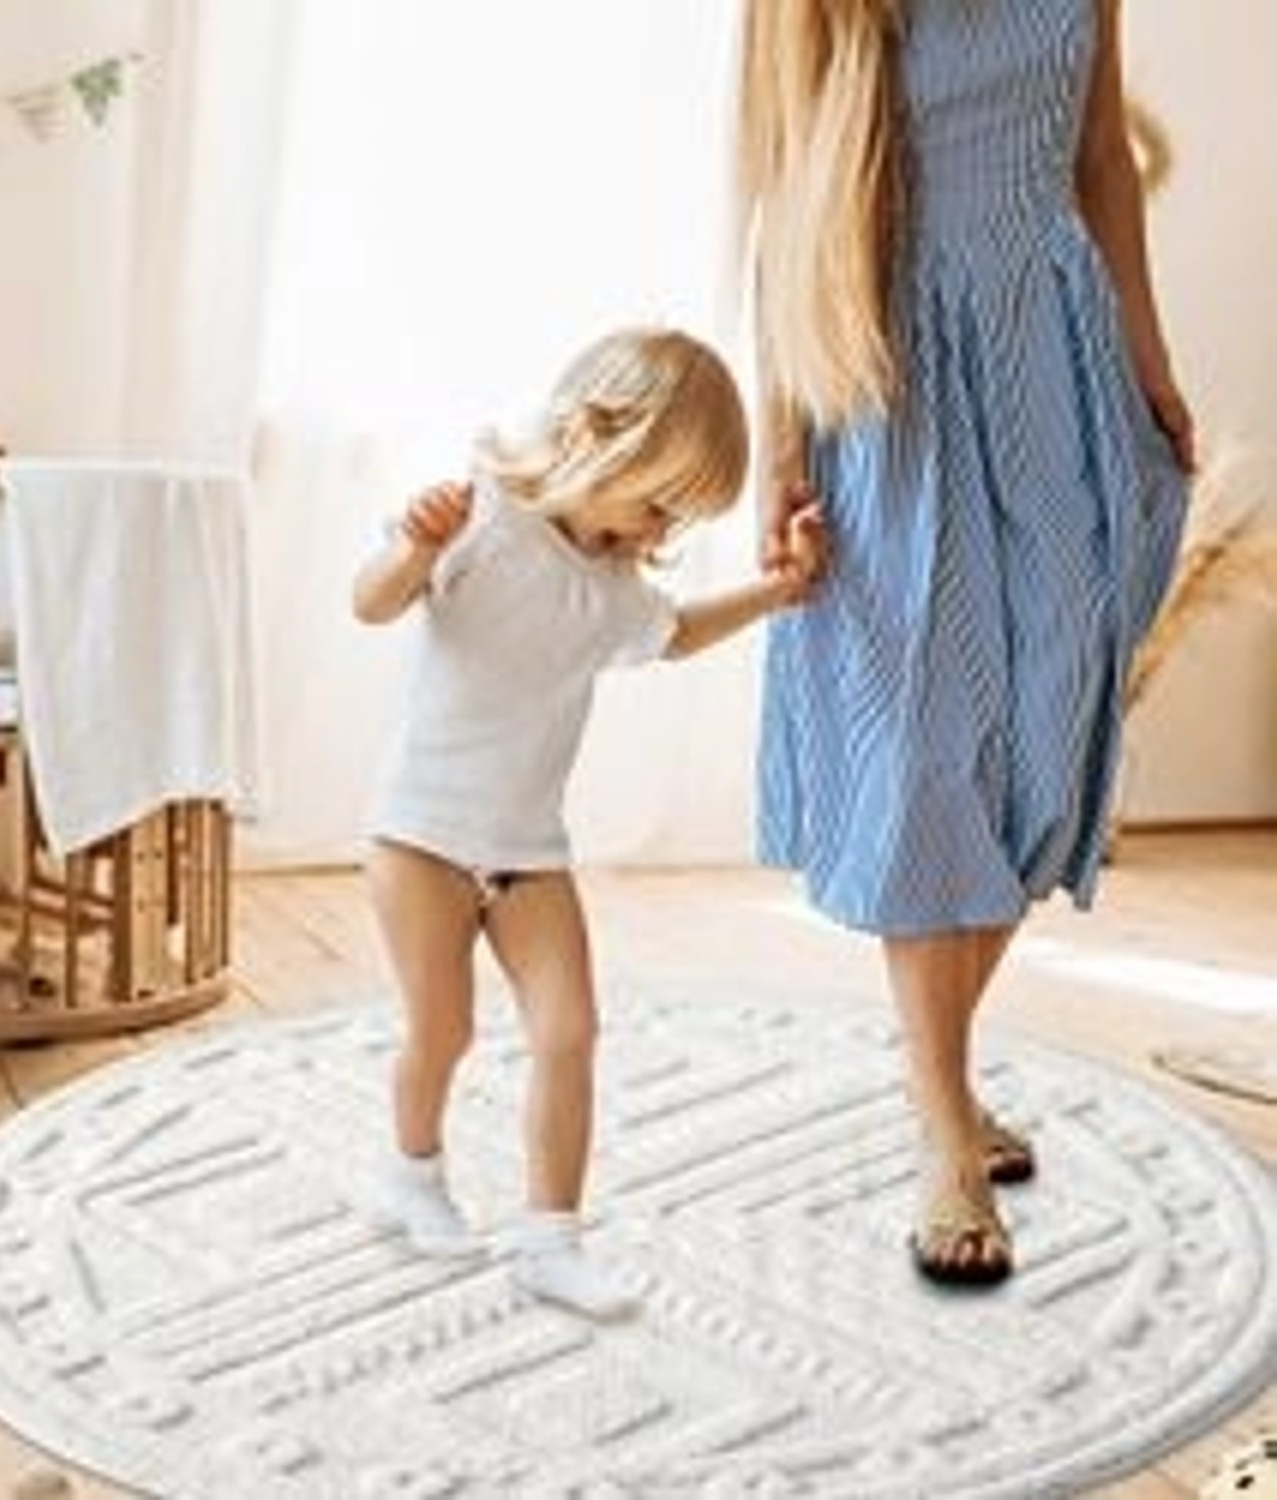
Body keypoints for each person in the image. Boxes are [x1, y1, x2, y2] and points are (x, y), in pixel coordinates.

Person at [734, 0, 1194, 1287]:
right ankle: (944, 1120)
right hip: (890, 361)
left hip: (1055, 343)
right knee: (930, 731)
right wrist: (781, 444)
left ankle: (930, 1066)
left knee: (1059, 699)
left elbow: (1102, 157)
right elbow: (785, 193)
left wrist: (1147, 363)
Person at [351, 327, 824, 1319]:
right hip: (421, 837)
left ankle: (548, 1236)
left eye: (676, 522)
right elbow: (371, 603)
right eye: (656, 506)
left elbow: (680, 633)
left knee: (570, 1031)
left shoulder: (614, 592)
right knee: (442, 1030)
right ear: (600, 436)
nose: (657, 538)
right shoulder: (478, 515)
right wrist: (411, 547)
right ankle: (411, 1174)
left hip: (527, 851)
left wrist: (779, 592)